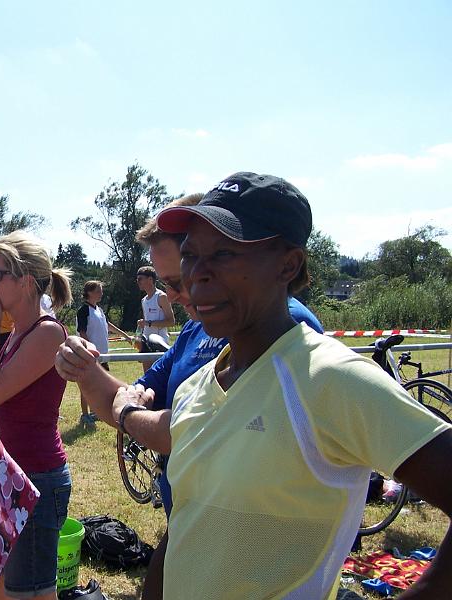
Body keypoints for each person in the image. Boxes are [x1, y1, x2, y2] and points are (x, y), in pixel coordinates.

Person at [62, 172, 452, 599]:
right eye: (191, 255)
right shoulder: (197, 386)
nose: (198, 275)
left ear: (288, 264)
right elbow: (188, 529)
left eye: (226, 253)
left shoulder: (328, 377)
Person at [58, 192, 323, 599]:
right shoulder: (199, 331)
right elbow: (135, 396)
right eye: (172, 281)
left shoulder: (286, 331)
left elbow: (186, 431)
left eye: (180, 279)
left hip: (244, 549)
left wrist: (130, 414)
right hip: (189, 518)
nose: (184, 292)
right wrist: (88, 371)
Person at [0, 230, 73, 600]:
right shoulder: (19, 332)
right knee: (6, 587)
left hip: (36, 478)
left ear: (26, 281)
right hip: (13, 474)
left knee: (30, 592)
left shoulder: (47, 333)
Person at [75, 281, 124, 429]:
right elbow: (82, 332)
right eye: (98, 290)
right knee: (86, 386)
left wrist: (126, 336)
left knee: (103, 385)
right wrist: (89, 350)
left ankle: (96, 411)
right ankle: (85, 414)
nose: (101, 293)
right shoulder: (84, 310)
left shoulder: (99, 310)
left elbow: (108, 325)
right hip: (90, 355)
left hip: (102, 356)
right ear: (89, 292)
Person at [136, 266, 175, 371]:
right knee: (147, 375)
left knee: (160, 377)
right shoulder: (144, 300)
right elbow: (146, 323)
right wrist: (139, 336)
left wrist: (148, 323)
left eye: (140, 279)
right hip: (146, 342)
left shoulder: (161, 296)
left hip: (160, 343)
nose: (138, 282)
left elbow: (171, 321)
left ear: (150, 279)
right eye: (137, 279)